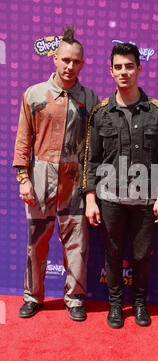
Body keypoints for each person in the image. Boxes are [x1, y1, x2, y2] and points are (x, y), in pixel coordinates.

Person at [13, 26, 99, 321]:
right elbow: (24, 140)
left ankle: (75, 298)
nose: (70, 66)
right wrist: (23, 179)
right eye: (65, 60)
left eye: (76, 61)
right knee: (36, 241)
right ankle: (32, 296)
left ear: (82, 64)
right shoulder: (34, 94)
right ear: (55, 59)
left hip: (74, 180)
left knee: (77, 243)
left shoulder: (90, 97)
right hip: (40, 177)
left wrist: (90, 189)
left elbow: (92, 148)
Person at [82, 42, 158, 329]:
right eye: (118, 67)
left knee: (143, 255)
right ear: (111, 71)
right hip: (110, 200)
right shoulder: (100, 114)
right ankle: (117, 305)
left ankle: (141, 303)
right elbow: (91, 160)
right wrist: (91, 198)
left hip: (146, 200)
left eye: (129, 66)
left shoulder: (157, 112)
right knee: (113, 254)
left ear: (139, 68)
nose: (124, 72)